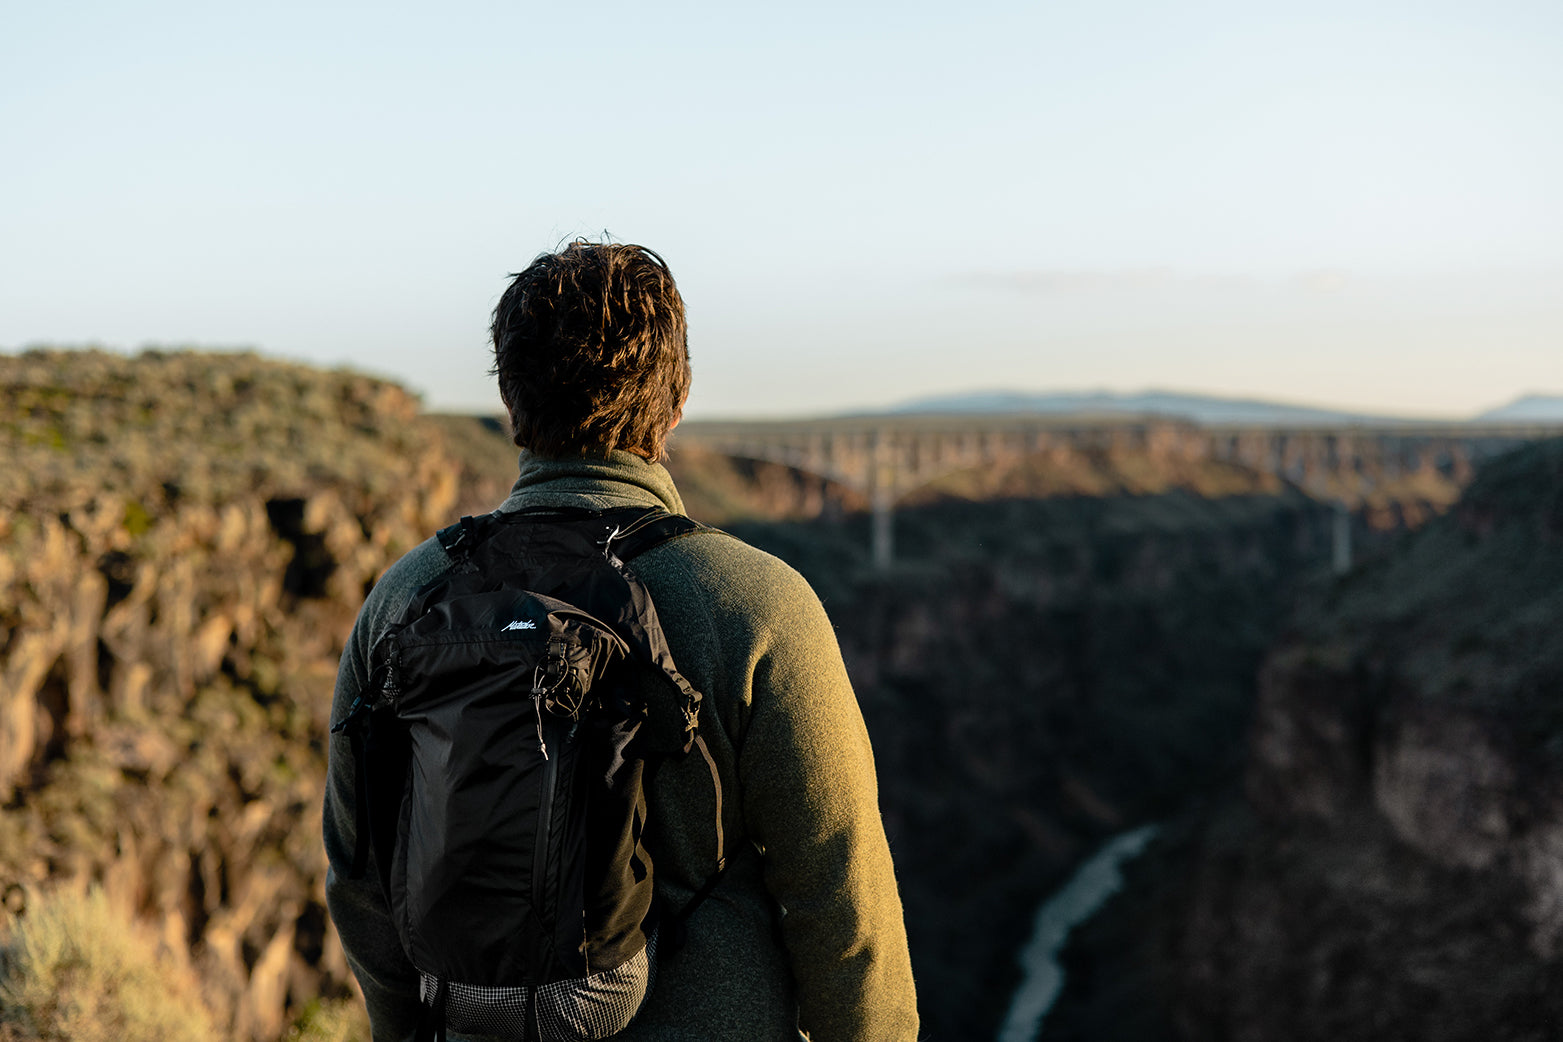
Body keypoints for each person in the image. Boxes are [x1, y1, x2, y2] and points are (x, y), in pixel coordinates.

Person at [323, 240, 919, 1040]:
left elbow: (359, 879)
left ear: (510, 400)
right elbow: (839, 892)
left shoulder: (405, 597)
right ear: (675, 401)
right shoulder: (756, 604)